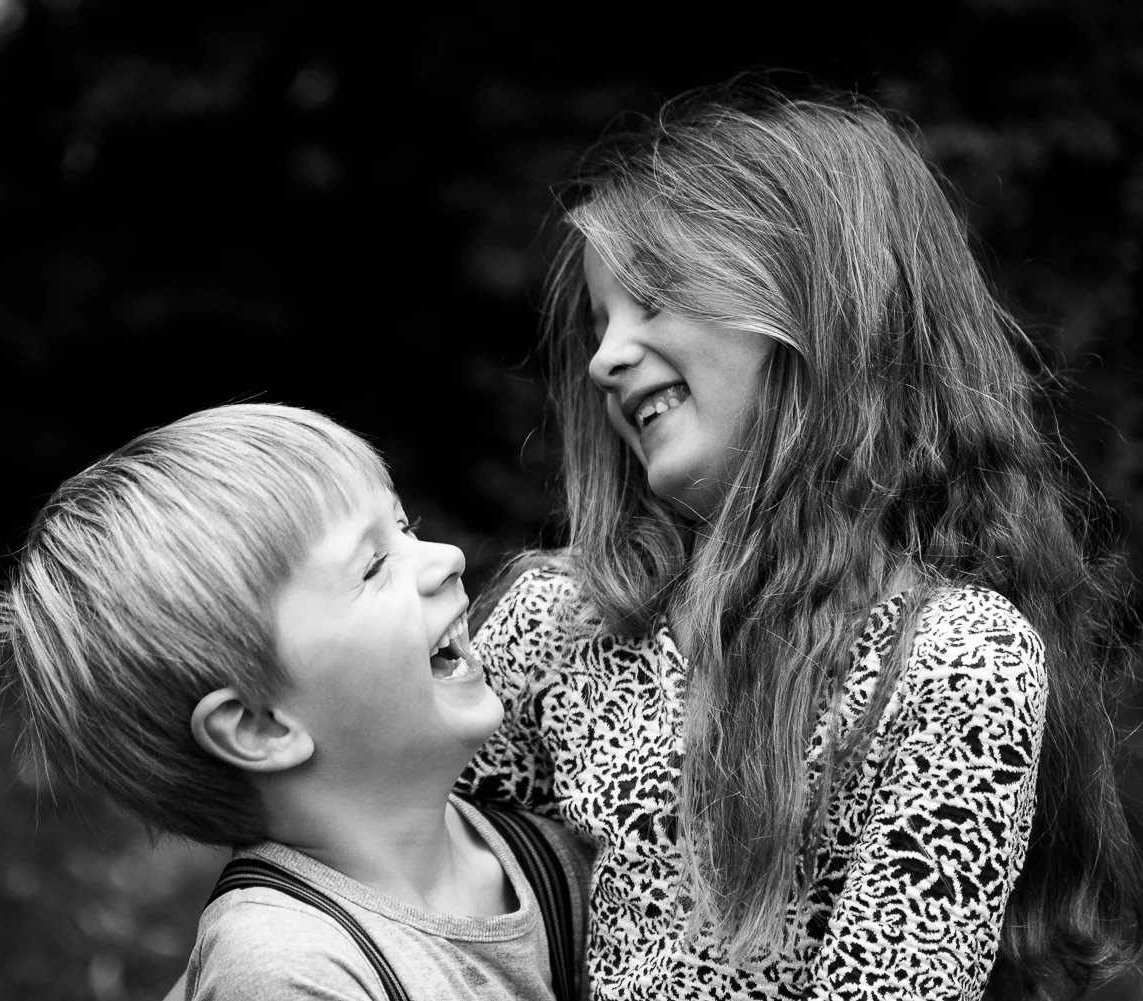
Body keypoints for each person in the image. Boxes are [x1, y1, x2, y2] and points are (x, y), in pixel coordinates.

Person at [456, 86, 1143, 1000]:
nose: (604, 358)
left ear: (819, 311)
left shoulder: (953, 662)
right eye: (598, 324)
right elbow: (393, 870)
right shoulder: (564, 626)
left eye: (654, 299)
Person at [0, 403, 590, 1000]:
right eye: (372, 565)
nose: (445, 557)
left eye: (405, 526)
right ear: (258, 724)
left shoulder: (561, 847)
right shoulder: (288, 966)